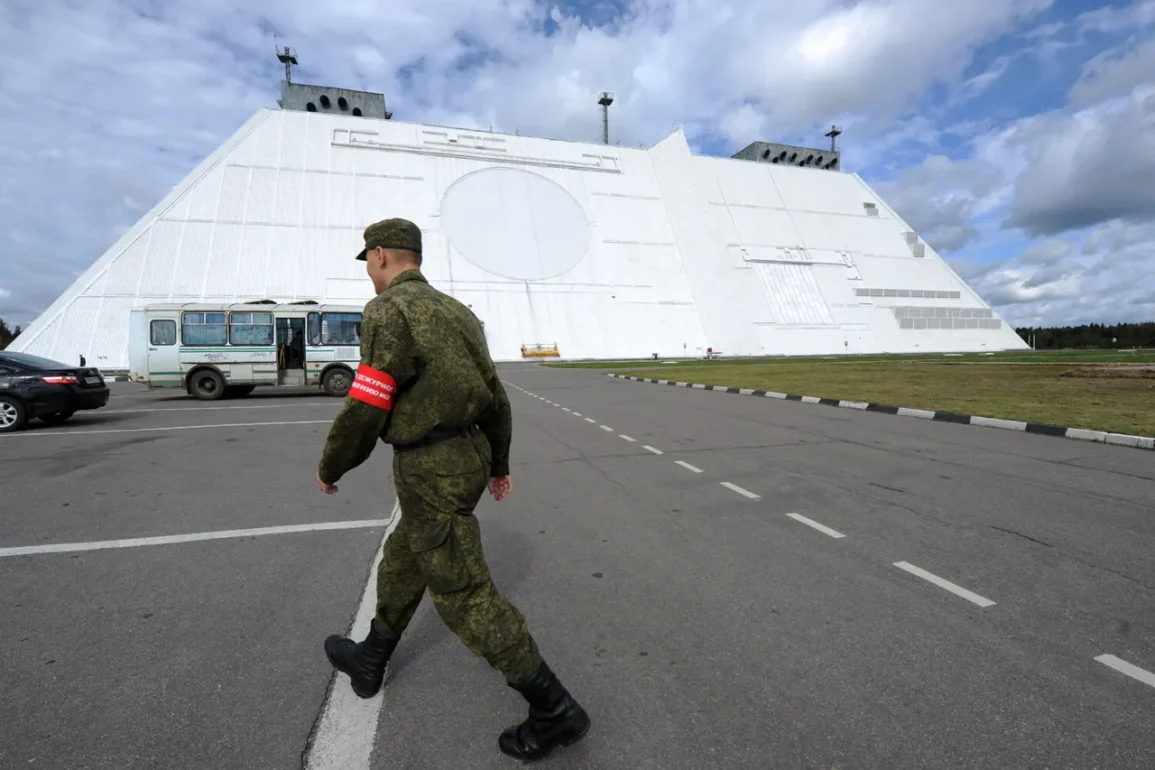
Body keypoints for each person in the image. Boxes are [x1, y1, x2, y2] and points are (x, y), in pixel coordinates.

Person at [315, 218, 590, 761]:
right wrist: (499, 463)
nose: (369, 272)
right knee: (405, 555)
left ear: (379, 256)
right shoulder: (458, 312)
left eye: (368, 262)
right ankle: (371, 656)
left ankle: (554, 708)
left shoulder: (388, 310)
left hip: (431, 467)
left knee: (464, 592)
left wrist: (333, 465)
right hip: (468, 458)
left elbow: (368, 401)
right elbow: (496, 396)